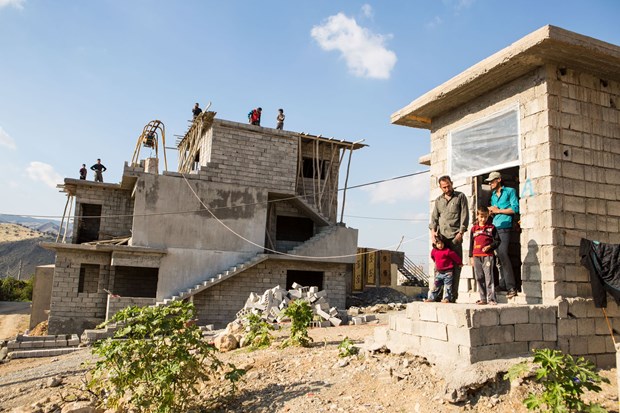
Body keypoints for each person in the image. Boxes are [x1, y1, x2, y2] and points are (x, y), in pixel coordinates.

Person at [429, 175, 469, 302]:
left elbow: (465, 215)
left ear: (452, 183)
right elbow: (434, 218)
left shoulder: (460, 196)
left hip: (454, 238)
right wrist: (432, 233)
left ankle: (451, 296)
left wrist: (461, 233)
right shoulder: (438, 200)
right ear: (440, 187)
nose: (447, 189)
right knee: (439, 268)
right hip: (441, 239)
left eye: (448, 186)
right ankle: (437, 295)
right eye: (444, 187)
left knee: (455, 268)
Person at [486, 171, 519, 299]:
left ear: (499, 180)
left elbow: (515, 209)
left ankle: (511, 287)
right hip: (495, 227)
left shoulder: (510, 191)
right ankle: (503, 283)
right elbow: (494, 211)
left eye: (492, 181)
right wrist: (491, 212)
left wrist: (498, 210)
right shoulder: (493, 195)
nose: (490, 183)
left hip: (505, 226)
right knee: (498, 256)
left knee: (504, 254)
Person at [469, 206, 501, 305]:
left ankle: (491, 299)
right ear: (477, 216)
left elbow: (498, 241)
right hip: (476, 256)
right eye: (481, 216)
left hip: (488, 256)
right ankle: (483, 299)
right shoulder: (474, 229)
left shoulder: (492, 228)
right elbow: (471, 243)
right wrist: (471, 257)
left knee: (489, 277)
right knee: (479, 277)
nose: (483, 219)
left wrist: (489, 246)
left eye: (486, 217)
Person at [425, 236, 463, 303]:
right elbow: (432, 257)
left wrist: (459, 263)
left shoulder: (447, 251)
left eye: (442, 243)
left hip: (448, 272)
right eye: (438, 244)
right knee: (436, 286)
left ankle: (446, 298)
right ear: (435, 244)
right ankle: (431, 298)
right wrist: (436, 262)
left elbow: (455, 257)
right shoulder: (434, 251)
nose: (440, 245)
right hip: (439, 272)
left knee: (448, 287)